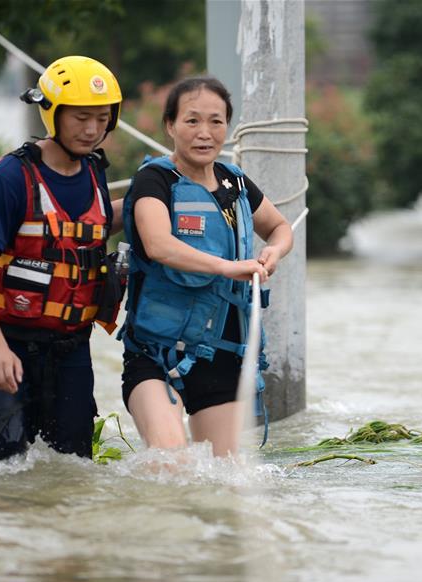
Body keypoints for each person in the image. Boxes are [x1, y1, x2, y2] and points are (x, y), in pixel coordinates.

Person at [0, 56, 125, 462]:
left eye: (102, 119)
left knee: (72, 464)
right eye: (81, 117)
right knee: (5, 460)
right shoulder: (11, 178)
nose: (92, 129)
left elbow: (88, 227)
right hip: (3, 336)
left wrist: (159, 193)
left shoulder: (95, 172)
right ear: (53, 113)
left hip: (68, 346)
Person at [119, 76, 293, 457]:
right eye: (192, 121)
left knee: (225, 485)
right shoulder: (155, 180)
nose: (205, 132)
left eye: (216, 121)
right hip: (158, 355)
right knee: (170, 462)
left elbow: (279, 228)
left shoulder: (236, 182)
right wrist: (225, 267)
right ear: (170, 126)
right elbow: (158, 244)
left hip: (224, 356)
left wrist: (274, 252)